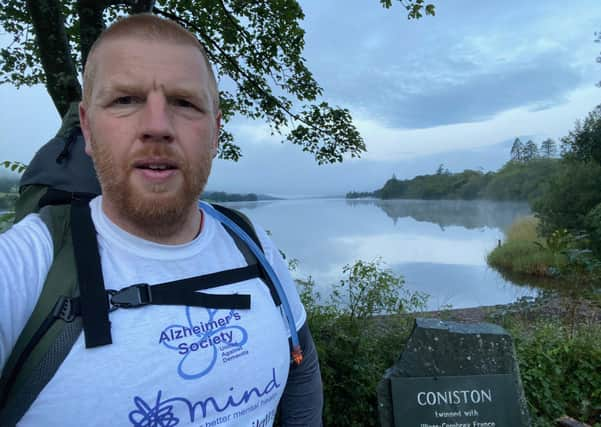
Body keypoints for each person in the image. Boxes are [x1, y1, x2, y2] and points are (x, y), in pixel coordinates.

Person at [0, 13, 322, 426]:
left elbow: (302, 367)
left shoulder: (249, 240)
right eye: (125, 100)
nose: (156, 127)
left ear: (215, 131)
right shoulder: (28, 265)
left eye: (184, 103)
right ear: (87, 127)